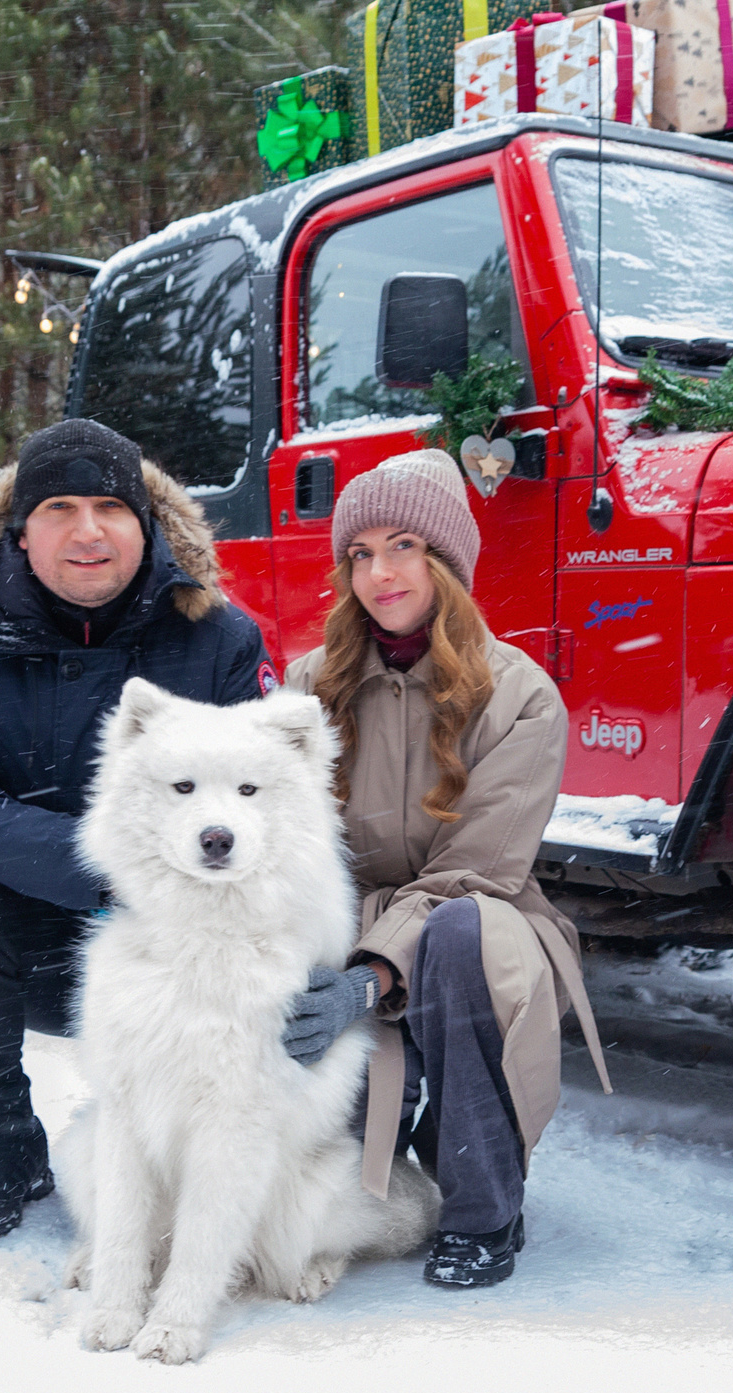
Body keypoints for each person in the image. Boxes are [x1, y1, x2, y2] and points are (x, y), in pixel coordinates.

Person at [0, 419, 272, 1242]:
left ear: (147, 525)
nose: (88, 530)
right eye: (60, 506)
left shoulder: (217, 638)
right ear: (21, 532)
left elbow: (263, 803)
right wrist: (99, 867)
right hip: (36, 932)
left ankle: (198, 1147)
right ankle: (4, 1141)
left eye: (109, 507)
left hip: (181, 929)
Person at [280, 448, 609, 1287]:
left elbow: (477, 869)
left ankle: (483, 1205)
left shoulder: (520, 694)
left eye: (404, 547)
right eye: (360, 553)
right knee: (331, 1161)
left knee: (460, 936)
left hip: (481, 921)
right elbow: (290, 843)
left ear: (448, 562)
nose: (380, 572)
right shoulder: (308, 686)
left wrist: (372, 975)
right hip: (349, 923)